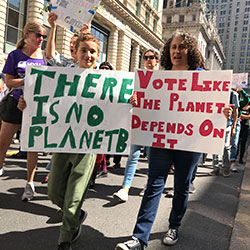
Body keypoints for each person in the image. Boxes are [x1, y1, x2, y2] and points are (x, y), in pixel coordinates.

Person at [115, 31, 232, 250]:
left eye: (181, 47)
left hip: (190, 141)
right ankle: (139, 238)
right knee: (153, 185)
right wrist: (136, 100)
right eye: (173, 47)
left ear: (190, 50)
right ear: (168, 51)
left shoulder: (201, 76)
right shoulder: (160, 77)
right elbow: (147, 105)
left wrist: (223, 112)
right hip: (161, 139)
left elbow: (213, 107)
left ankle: (174, 226)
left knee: (181, 186)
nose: (177, 51)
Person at [45, 13, 98, 250]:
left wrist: (130, 101)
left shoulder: (107, 78)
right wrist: (28, 106)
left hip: (88, 145)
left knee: (75, 194)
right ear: (75, 52)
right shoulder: (63, 73)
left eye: (92, 52)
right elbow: (42, 95)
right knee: (54, 191)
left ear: (97, 55)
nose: (88, 55)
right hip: (63, 141)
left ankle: (65, 237)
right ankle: (75, 216)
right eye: (84, 50)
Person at [0, 22, 46, 186]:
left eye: (43, 36)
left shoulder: (44, 57)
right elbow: (9, 82)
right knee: (3, 143)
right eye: (38, 35)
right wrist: (26, 81)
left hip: (35, 106)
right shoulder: (15, 55)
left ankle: (30, 183)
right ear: (27, 34)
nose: (41, 39)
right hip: (15, 102)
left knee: (32, 146)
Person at [113, 49, 159, 202]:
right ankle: (125, 188)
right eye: (145, 57)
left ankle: (148, 184)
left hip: (154, 124)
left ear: (157, 61)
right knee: (133, 155)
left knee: (153, 157)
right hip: (138, 122)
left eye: (151, 57)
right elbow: (128, 96)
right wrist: (131, 99)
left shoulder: (163, 79)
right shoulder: (136, 78)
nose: (148, 60)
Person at [230, 88, 249, 172]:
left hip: (240, 124)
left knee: (236, 143)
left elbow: (246, 99)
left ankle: (233, 161)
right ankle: (226, 161)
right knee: (226, 145)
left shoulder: (240, 104)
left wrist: (241, 90)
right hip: (228, 122)